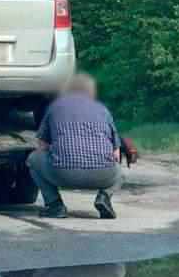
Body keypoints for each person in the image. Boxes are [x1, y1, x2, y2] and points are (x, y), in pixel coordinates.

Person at [28, 73, 124, 219]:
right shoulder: (103, 110)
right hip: (102, 175)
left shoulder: (55, 108)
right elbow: (116, 153)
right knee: (119, 170)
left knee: (33, 159)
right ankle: (104, 198)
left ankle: (55, 205)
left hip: (62, 174)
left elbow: (42, 145)